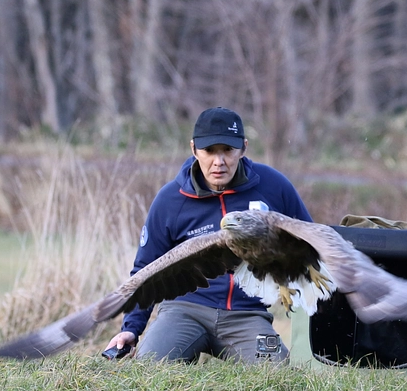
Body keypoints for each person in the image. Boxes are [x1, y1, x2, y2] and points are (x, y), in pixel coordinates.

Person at [103, 106, 312, 363]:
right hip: (183, 311)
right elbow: (146, 268)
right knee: (150, 366)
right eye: (209, 151)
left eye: (228, 150)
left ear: (243, 148)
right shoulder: (170, 200)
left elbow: (310, 245)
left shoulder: (273, 187)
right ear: (193, 149)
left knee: (277, 374)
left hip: (247, 315)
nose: (219, 161)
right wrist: (131, 328)